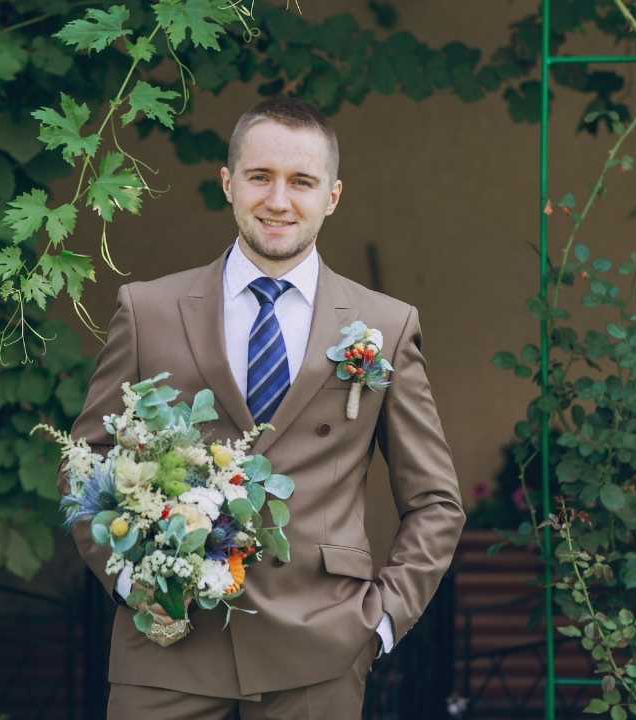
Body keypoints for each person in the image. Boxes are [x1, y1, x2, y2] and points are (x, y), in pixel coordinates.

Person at [64, 97, 464, 719]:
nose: (279, 200)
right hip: (168, 637)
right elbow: (86, 461)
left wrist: (382, 621)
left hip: (321, 646)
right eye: (260, 177)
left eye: (301, 182)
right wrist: (130, 580)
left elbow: (436, 501)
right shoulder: (148, 310)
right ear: (229, 184)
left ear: (332, 196)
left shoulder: (383, 324)